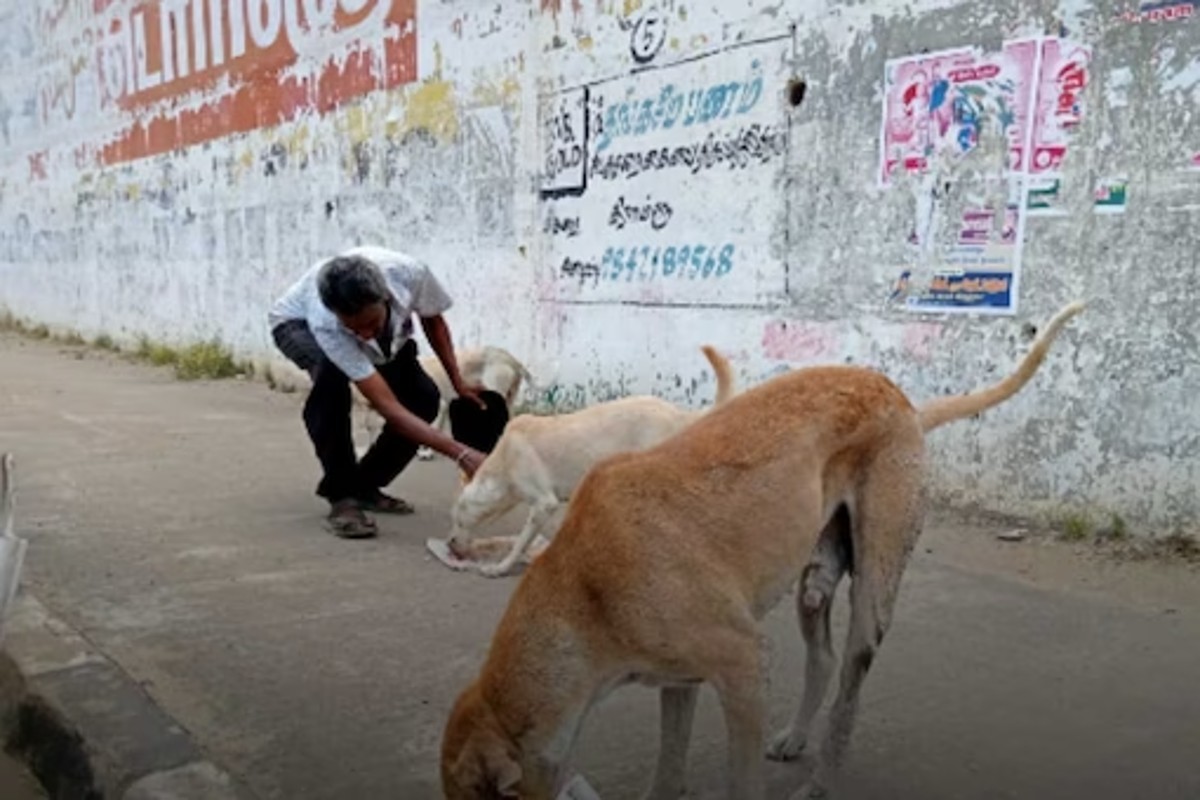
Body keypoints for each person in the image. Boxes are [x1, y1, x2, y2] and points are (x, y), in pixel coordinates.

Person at [268, 245, 488, 539]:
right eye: (354, 330)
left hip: (383, 327)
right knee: (330, 388)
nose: (365, 335)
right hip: (296, 324)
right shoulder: (326, 322)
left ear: (386, 298)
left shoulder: (411, 274)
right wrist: (460, 453)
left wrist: (457, 381)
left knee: (422, 398)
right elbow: (388, 407)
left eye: (371, 324)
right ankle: (342, 496)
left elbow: (433, 320)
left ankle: (365, 485)